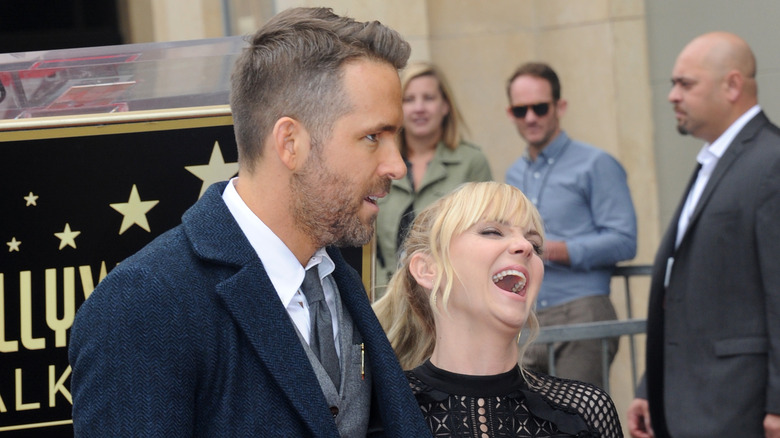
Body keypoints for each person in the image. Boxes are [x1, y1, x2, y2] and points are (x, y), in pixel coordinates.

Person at [68, 7, 432, 437]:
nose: (396, 165)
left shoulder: (339, 276)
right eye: (373, 137)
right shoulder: (143, 304)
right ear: (290, 143)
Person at [374, 181, 623, 438]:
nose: (525, 247)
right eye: (492, 231)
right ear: (428, 270)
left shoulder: (585, 410)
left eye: (535, 244)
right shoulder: (379, 409)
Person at [627, 32, 780, 438]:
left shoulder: (772, 161)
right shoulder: (715, 160)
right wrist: (651, 385)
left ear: (732, 85)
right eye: (673, 83)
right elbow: (684, 290)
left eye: (685, 84)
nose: (672, 95)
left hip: (739, 406)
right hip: (689, 403)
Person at [504, 62, 637, 388]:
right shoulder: (513, 174)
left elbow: (624, 240)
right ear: (511, 114)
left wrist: (555, 250)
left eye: (540, 107)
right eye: (521, 110)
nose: (531, 117)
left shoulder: (596, 163)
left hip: (582, 310)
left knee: (577, 423)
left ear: (559, 107)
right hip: (528, 315)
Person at [375, 62, 492, 292]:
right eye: (409, 99)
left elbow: (485, 236)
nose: (419, 108)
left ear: (445, 106)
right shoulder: (378, 162)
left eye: (428, 98)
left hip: (449, 295)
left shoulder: (471, 162)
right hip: (385, 296)